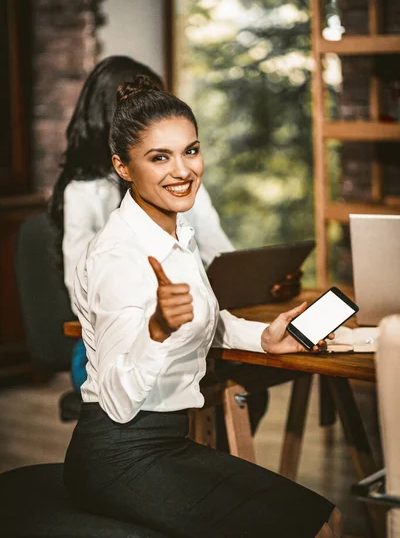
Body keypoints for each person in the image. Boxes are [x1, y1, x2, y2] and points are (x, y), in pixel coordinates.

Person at [63, 76, 341, 538]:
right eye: (160, 157)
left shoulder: (175, 232)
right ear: (123, 167)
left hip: (169, 442)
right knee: (312, 530)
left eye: (190, 151)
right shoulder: (118, 254)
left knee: (328, 517)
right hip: (117, 456)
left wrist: (264, 337)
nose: (183, 170)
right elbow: (114, 398)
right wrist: (157, 331)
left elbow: (206, 321)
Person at [49, 56, 234, 392]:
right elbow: (83, 298)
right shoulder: (86, 195)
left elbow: (219, 251)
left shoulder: (183, 181)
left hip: (183, 329)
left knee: (243, 384)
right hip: (111, 351)